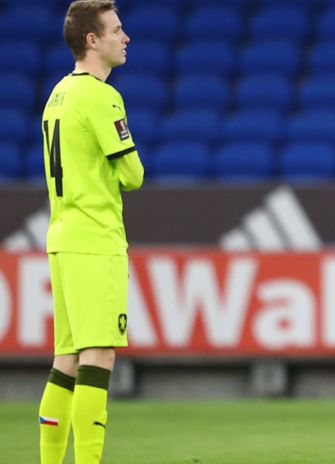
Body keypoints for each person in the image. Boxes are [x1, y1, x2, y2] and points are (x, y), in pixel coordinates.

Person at [38, 1, 143, 463]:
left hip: (62, 237)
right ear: (92, 40)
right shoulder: (103, 97)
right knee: (98, 358)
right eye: (116, 30)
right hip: (96, 239)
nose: (126, 37)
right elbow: (133, 175)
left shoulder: (58, 94)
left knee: (65, 362)